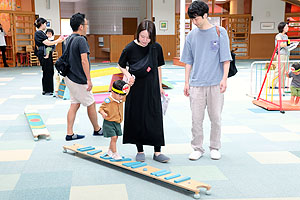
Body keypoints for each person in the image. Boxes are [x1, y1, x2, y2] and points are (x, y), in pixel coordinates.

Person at [181, 0, 232, 160]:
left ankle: (215, 147)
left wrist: (224, 79)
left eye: (197, 18)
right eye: (192, 19)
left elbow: (226, 59)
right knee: (196, 119)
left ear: (205, 15)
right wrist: (186, 82)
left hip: (216, 83)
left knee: (215, 117)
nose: (194, 22)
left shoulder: (220, 32)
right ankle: (197, 148)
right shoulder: (191, 36)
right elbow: (188, 61)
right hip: (196, 83)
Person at [118, 20, 170, 163]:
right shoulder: (130, 48)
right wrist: (128, 76)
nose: (145, 40)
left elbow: (159, 67)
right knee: (137, 117)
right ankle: (139, 150)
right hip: (136, 89)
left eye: (148, 37)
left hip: (152, 87)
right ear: (138, 34)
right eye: (142, 37)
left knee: (155, 117)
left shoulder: (156, 47)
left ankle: (157, 152)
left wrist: (160, 86)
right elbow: (121, 65)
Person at [64, 13, 102, 141]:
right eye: (86, 25)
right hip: (78, 79)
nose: (86, 27)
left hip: (69, 77)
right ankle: (97, 129)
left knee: (74, 104)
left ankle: (70, 133)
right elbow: (84, 61)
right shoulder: (81, 40)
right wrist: (89, 79)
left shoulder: (68, 39)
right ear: (81, 26)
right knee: (91, 103)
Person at [99, 80, 130, 160]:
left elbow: (127, 92)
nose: (122, 97)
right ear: (112, 92)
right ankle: (115, 153)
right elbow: (101, 108)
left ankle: (110, 150)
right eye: (120, 95)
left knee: (115, 138)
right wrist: (103, 113)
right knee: (113, 137)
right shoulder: (108, 101)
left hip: (117, 122)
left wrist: (129, 85)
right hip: (109, 122)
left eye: (122, 95)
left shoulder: (120, 99)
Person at [34, 18, 64, 95]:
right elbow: (47, 43)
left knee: (49, 71)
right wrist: (58, 40)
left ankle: (48, 89)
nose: (45, 25)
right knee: (47, 70)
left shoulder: (41, 33)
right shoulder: (39, 33)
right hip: (43, 53)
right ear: (41, 24)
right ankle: (47, 90)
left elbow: (48, 45)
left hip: (45, 52)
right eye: (45, 24)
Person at [273, 22, 290, 88]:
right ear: (282, 28)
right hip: (281, 54)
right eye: (286, 27)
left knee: (284, 70)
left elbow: (286, 44)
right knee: (279, 69)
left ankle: (282, 85)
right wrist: (288, 44)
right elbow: (280, 44)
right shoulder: (278, 35)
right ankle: (272, 84)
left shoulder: (286, 36)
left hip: (286, 53)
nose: (287, 28)